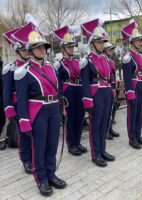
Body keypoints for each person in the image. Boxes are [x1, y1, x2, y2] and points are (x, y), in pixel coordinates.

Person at [13, 22, 66, 196]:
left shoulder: (51, 67)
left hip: (53, 110)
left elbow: (58, 91)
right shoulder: (23, 71)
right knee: (40, 148)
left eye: (43, 46)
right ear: (30, 50)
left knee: (52, 146)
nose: (42, 50)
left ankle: (51, 174)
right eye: (37, 47)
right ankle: (41, 178)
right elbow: (21, 100)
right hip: (37, 112)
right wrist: (24, 122)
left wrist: (62, 109)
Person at [80, 19, 115, 167]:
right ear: (92, 44)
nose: (103, 44)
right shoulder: (86, 60)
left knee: (105, 123)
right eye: (99, 42)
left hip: (106, 92)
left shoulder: (105, 59)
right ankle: (96, 154)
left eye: (103, 42)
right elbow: (85, 82)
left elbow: (110, 76)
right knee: (95, 125)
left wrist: (112, 89)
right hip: (95, 94)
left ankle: (103, 150)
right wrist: (87, 100)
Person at [53, 26, 87, 156]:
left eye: (72, 46)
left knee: (79, 118)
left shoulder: (78, 61)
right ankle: (71, 144)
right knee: (70, 120)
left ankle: (77, 142)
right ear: (62, 48)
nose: (71, 49)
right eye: (68, 47)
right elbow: (57, 83)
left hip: (79, 91)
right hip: (68, 93)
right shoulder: (59, 64)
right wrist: (60, 98)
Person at [2, 27, 32, 173]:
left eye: (27, 48)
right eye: (22, 49)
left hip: (34, 106)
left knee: (35, 134)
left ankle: (35, 157)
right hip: (18, 106)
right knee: (24, 134)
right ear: (16, 50)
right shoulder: (11, 69)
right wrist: (9, 111)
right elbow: (7, 92)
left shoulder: (34, 67)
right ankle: (26, 160)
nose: (26, 51)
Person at [121, 19, 142, 149]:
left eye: (140, 40)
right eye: (138, 40)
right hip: (133, 87)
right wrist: (130, 92)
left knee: (140, 113)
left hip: (140, 86)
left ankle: (138, 135)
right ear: (132, 42)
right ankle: (132, 138)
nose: (140, 42)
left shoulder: (141, 56)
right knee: (132, 114)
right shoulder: (128, 57)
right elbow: (127, 77)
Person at [103, 42, 120, 140]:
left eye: (112, 49)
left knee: (112, 109)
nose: (111, 51)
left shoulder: (112, 61)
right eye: (109, 49)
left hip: (112, 87)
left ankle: (110, 128)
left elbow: (114, 75)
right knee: (106, 112)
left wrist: (114, 88)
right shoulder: (104, 60)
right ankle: (105, 131)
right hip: (106, 87)